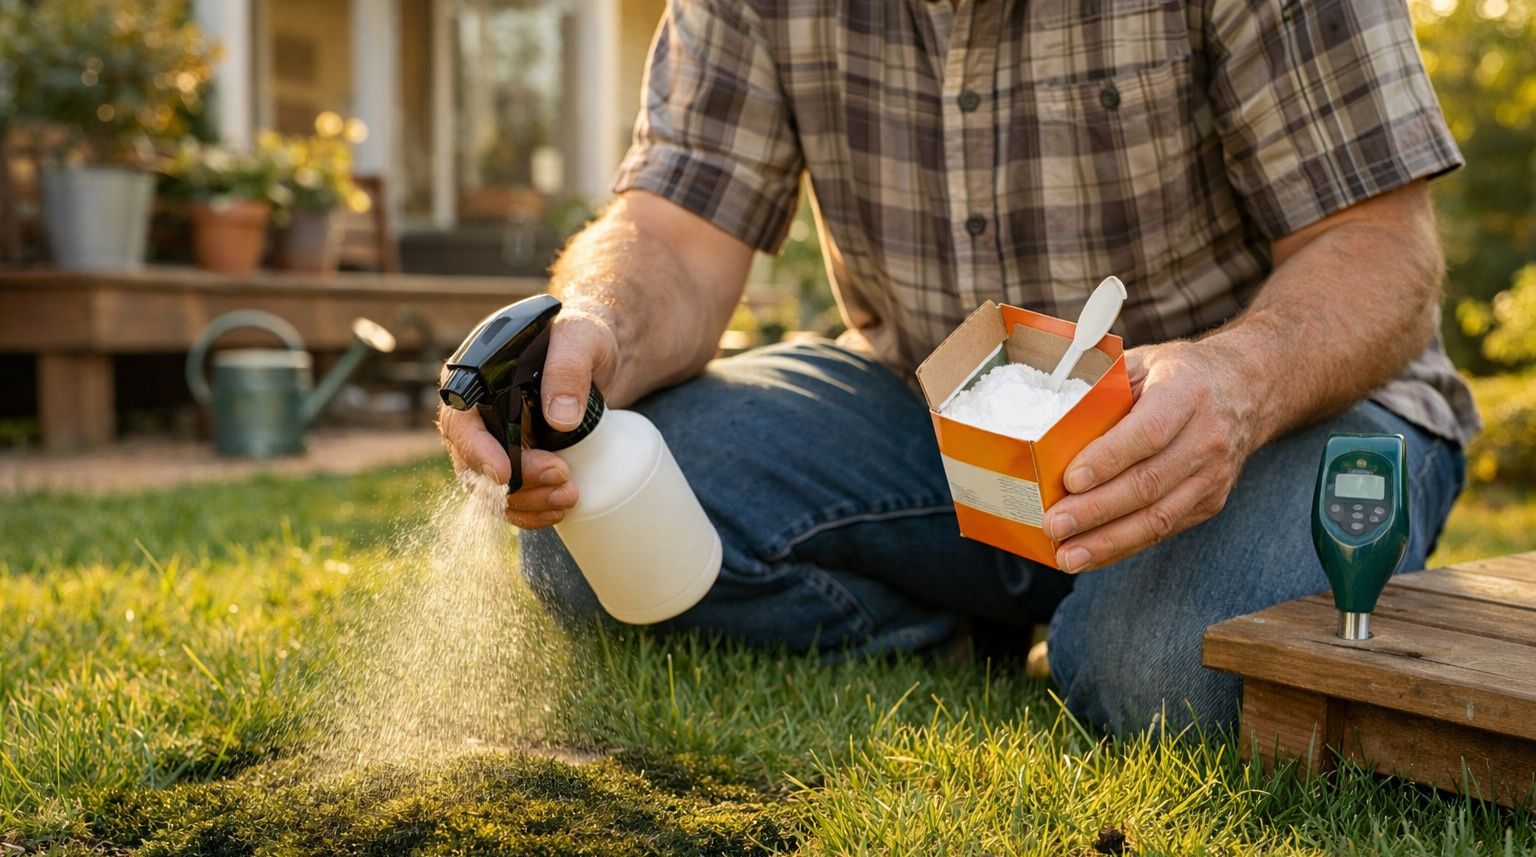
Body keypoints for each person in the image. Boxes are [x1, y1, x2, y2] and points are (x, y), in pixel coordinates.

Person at [439, 0, 1478, 735]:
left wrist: (1239, 384)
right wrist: (595, 327)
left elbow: (1382, 248)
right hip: (931, 411)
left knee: (1161, 677)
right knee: (595, 537)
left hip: (1272, 413)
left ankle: (1111, 615)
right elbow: (672, 233)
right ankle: (970, 617)